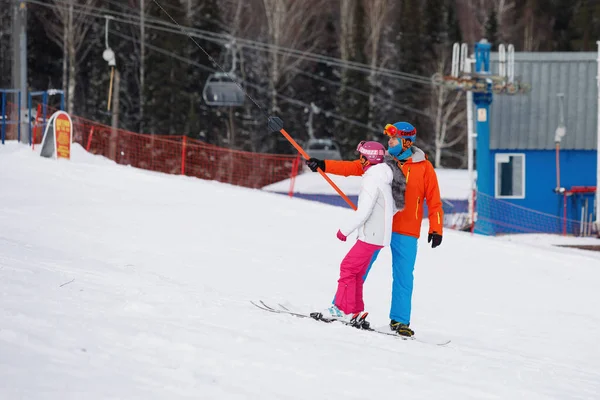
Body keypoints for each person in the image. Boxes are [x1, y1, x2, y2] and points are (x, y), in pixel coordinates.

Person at [306, 122, 443, 337]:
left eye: (394, 140)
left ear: (407, 142)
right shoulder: (383, 162)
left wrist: (436, 228)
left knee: (404, 276)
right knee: (360, 267)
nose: (389, 143)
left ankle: (399, 321)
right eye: (389, 140)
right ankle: (341, 307)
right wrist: (323, 165)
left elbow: (434, 201)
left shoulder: (424, 168)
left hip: (407, 230)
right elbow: (352, 167)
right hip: (379, 226)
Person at [320, 140, 406, 328]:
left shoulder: (373, 178)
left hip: (371, 235)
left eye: (362, 157)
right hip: (378, 235)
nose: (360, 160)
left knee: (348, 267)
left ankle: (340, 309)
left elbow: (364, 211)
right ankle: (355, 311)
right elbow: (393, 208)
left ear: (369, 159)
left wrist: (345, 230)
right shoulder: (384, 176)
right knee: (356, 272)